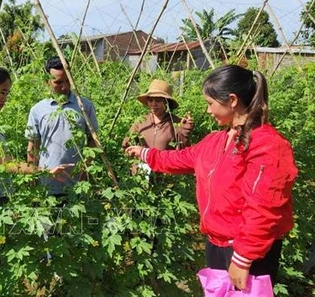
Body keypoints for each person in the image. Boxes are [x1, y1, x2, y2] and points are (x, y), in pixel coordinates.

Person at [125, 65, 297, 290]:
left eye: (210, 103)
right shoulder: (216, 141)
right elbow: (182, 158)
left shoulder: (266, 144)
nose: (208, 110)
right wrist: (145, 153)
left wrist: (243, 257)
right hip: (216, 243)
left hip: (248, 250)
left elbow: (263, 207)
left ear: (232, 100)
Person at [0, 65, 71, 204]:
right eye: (2, 92)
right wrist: (45, 172)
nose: (4, 98)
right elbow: (5, 163)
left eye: (7, 93)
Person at [25, 56, 99, 197]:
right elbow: (33, 147)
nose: (64, 87)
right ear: (47, 82)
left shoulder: (84, 106)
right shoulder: (37, 110)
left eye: (67, 81)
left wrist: (85, 172)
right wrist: (32, 180)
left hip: (77, 185)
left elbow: (93, 140)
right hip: (46, 185)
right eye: (58, 82)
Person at [122, 79, 193, 151]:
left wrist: (184, 132)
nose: (153, 104)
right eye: (150, 100)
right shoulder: (140, 122)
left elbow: (183, 152)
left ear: (166, 102)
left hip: (165, 162)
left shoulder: (176, 122)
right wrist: (130, 149)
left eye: (158, 100)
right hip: (142, 162)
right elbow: (126, 145)